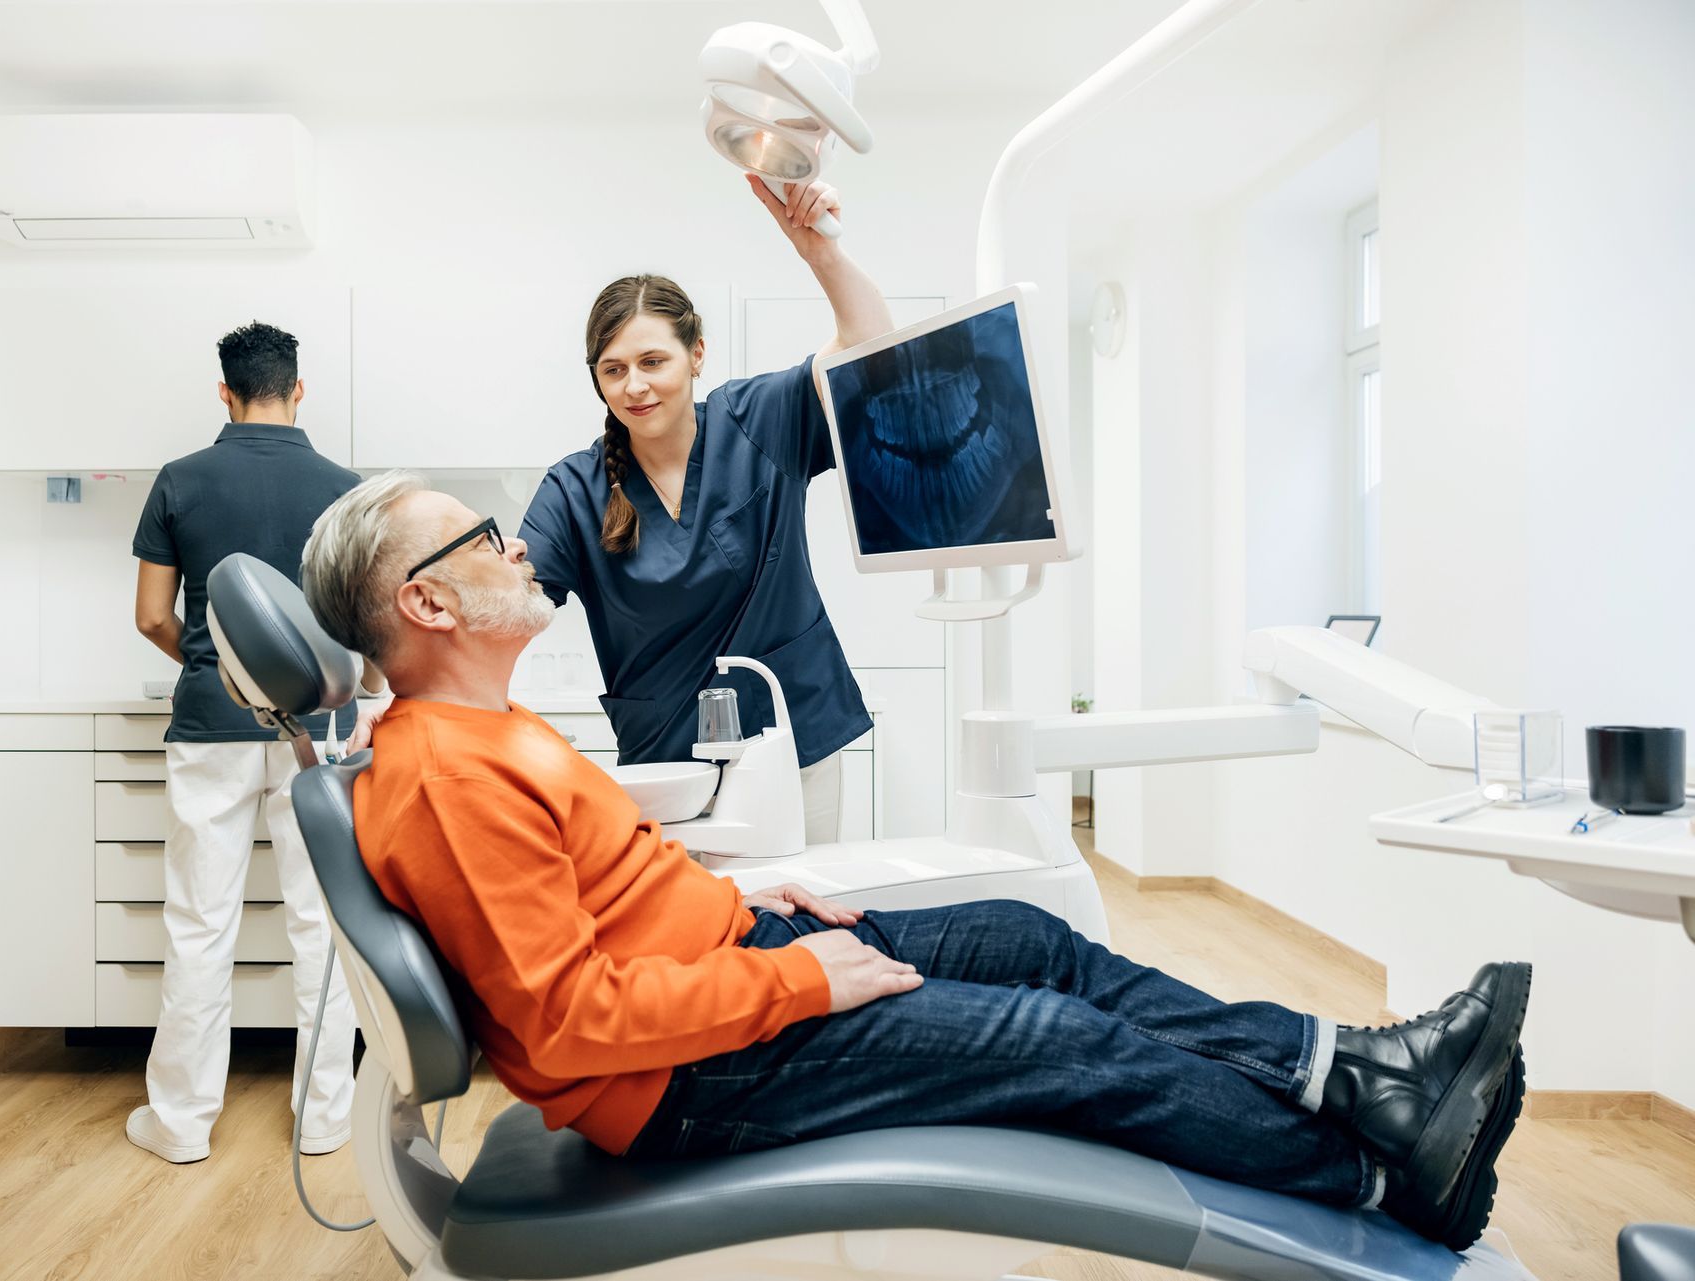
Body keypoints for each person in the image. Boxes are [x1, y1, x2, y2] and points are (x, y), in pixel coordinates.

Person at [300, 472, 1534, 1253]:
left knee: (1028, 937)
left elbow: (606, 894)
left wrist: (746, 905)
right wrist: (802, 980)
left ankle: (1357, 1070)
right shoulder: (445, 779)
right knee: (1058, 1042)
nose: (516, 545)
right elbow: (566, 1027)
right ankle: (1383, 1182)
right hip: (684, 1078)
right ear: (429, 605)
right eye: (480, 537)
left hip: (728, 971)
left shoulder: (484, 728)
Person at [515, 178, 890, 844]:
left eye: (652, 360)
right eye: (613, 369)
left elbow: (871, 353)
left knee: (803, 899)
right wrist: (413, 701)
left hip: (793, 737)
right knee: (688, 911)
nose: (634, 385)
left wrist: (821, 253)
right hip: (665, 763)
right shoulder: (574, 489)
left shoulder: (760, 420)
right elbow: (504, 606)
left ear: (696, 354)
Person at [127, 320, 383, 1163]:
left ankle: (181, 1123)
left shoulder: (180, 480)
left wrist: (227, 667)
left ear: (225, 392)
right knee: (322, 924)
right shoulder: (346, 491)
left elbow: (153, 617)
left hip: (213, 727)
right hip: (322, 730)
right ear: (299, 389)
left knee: (200, 926)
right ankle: (325, 1118)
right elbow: (365, 639)